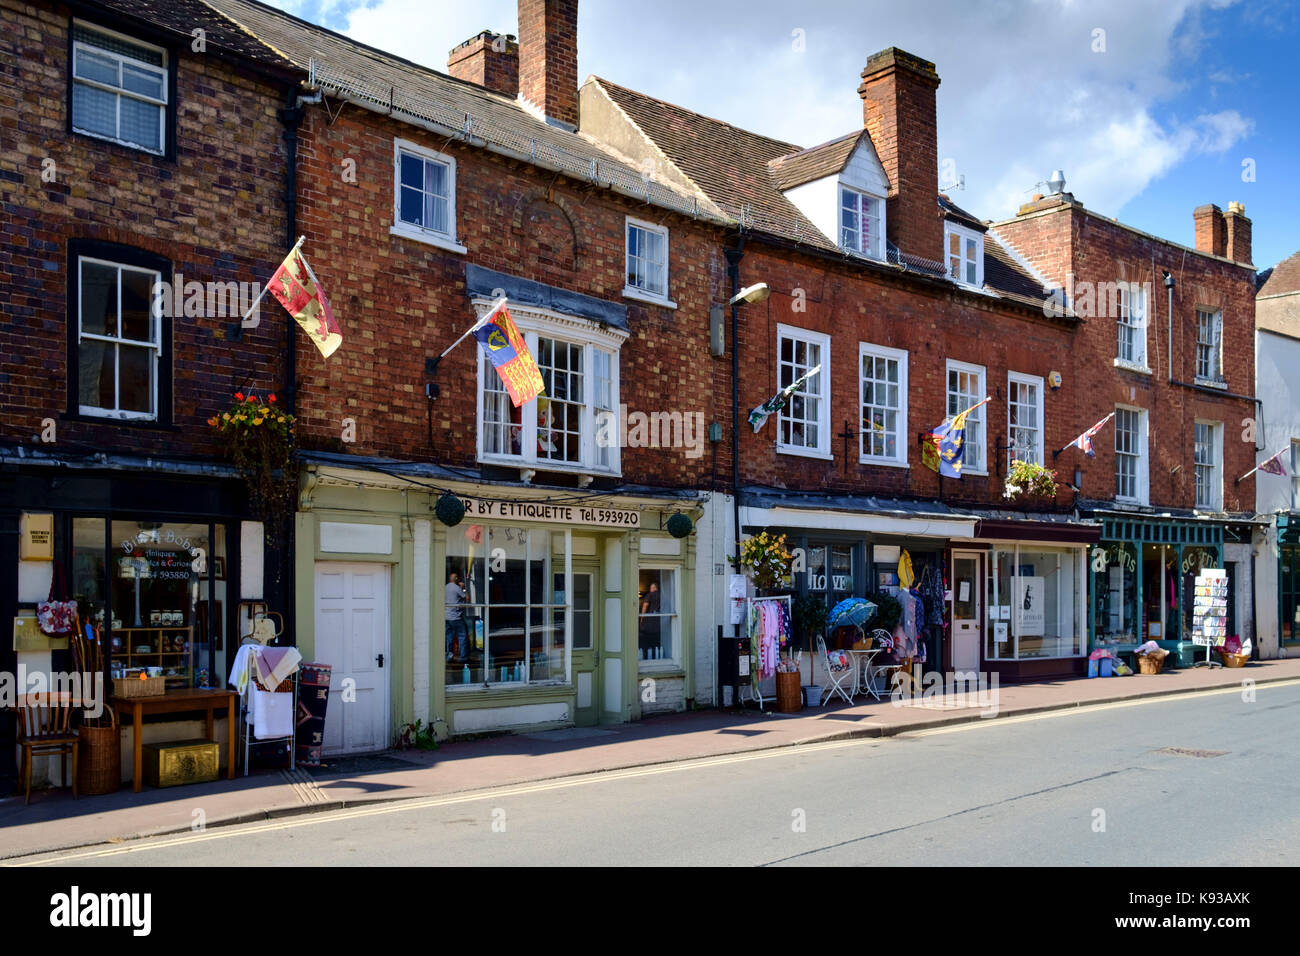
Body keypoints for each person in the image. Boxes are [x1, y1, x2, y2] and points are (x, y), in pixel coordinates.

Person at [446, 571, 469, 662]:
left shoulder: (445, 587)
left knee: (449, 638)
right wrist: (463, 588)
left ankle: (449, 657)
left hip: (446, 617)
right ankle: (463, 658)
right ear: (456, 579)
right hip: (456, 617)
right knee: (462, 637)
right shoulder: (456, 588)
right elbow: (467, 598)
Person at [638, 581, 660, 658]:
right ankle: (655, 656)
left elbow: (645, 605)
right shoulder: (662, 595)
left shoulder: (650, 595)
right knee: (656, 643)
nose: (650, 589)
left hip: (649, 624)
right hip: (658, 624)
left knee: (645, 642)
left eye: (651, 587)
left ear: (654, 588)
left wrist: (642, 618)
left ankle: (645, 657)